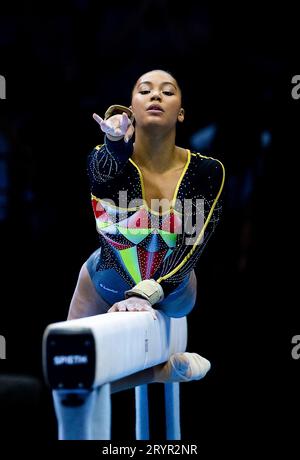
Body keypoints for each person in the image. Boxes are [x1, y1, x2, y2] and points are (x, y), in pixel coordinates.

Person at [67, 69, 225, 392]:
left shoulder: (206, 172)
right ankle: (161, 371)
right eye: (145, 91)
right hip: (110, 278)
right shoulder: (105, 159)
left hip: (175, 290)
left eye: (167, 92)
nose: (156, 96)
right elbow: (101, 179)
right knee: (71, 374)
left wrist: (148, 292)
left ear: (181, 113)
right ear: (131, 109)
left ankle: (160, 367)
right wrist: (113, 145)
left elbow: (191, 247)